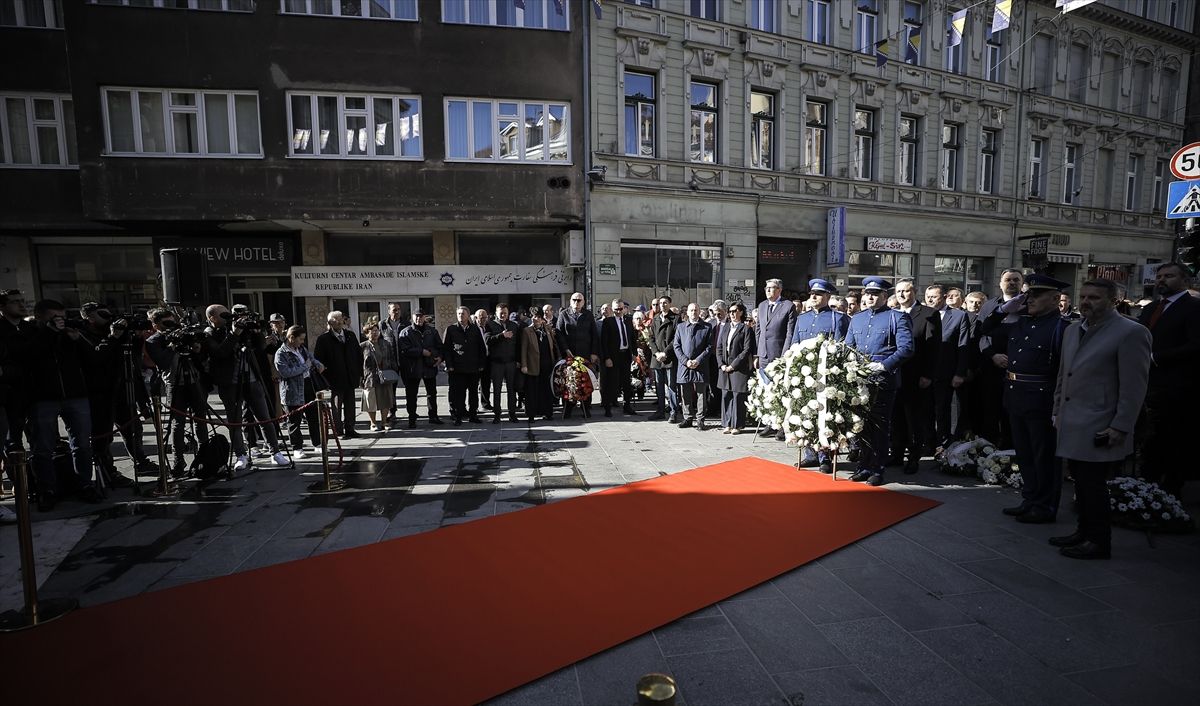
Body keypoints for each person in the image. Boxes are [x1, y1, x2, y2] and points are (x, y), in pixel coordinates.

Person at [1052, 279, 1152, 560]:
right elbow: (1064, 374)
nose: (1086, 302)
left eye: (1094, 298)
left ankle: (1098, 540)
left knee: (1093, 485)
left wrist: (1121, 425)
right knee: (1080, 483)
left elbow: (1134, 387)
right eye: (1083, 296)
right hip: (1071, 419)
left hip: (1101, 422)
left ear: (1113, 301)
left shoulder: (1131, 332)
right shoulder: (1073, 329)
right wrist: (1057, 410)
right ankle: (1083, 531)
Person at [979, 275, 1073, 524]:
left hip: (1042, 398)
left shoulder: (1063, 328)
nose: (1029, 299)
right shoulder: (1021, 323)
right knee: (1024, 452)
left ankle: (1045, 505)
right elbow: (983, 329)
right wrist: (1002, 310)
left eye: (1036, 295)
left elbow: (1065, 369)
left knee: (1044, 455)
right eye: (1028, 294)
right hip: (1016, 394)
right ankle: (1030, 498)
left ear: (1055, 299)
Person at [25, 300, 100, 508]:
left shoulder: (72, 333)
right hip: (43, 397)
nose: (59, 321)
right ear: (40, 317)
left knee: (83, 444)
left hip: (76, 395)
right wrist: (49, 333)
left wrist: (77, 340)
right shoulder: (31, 333)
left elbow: (93, 360)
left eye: (61, 316)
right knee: (43, 447)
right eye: (54, 317)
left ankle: (84, 484)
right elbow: (29, 356)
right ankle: (47, 489)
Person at [1136, 262, 1200, 501]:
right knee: (1149, 438)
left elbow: (1195, 345)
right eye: (1159, 276)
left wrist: (1155, 357)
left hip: (1178, 387)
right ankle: (1146, 485)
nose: (1161, 280)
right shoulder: (1151, 308)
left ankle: (1170, 491)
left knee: (1173, 439)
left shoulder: (1193, 307)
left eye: (1169, 276)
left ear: (1185, 281)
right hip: (1147, 385)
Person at [844, 278, 914, 486]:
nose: (870, 297)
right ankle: (863, 465)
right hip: (859, 380)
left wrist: (885, 365)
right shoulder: (857, 319)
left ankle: (877, 468)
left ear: (885, 296)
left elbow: (906, 348)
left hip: (883, 380)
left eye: (875, 294)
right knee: (861, 425)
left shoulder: (896, 317)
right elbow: (849, 347)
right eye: (867, 293)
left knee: (880, 426)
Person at [203, 304, 287, 470]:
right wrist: (235, 333)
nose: (228, 317)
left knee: (264, 417)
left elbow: (260, 348)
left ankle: (275, 452)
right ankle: (241, 455)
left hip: (252, 378)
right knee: (235, 421)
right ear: (212, 318)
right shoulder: (210, 333)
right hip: (229, 382)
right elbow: (221, 352)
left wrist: (255, 332)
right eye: (223, 315)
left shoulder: (241, 330)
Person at [789, 278, 850, 472]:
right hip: (805, 374)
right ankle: (810, 453)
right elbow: (794, 344)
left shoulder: (837, 318)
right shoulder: (803, 318)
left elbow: (844, 347)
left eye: (818, 294)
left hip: (827, 375)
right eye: (812, 294)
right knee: (806, 413)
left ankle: (825, 455)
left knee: (826, 414)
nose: (813, 297)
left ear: (827, 296)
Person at [144, 308, 210, 477]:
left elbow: (200, 356)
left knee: (200, 419)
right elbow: (163, 362)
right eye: (166, 323)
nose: (171, 326)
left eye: (172, 321)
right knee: (177, 424)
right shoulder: (153, 341)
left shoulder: (182, 333)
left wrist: (196, 347)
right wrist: (172, 345)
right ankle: (178, 461)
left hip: (194, 380)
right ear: (155, 325)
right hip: (174, 383)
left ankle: (206, 457)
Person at [890, 278, 941, 474]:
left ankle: (913, 457)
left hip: (916, 376)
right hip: (895, 374)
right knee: (896, 418)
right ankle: (896, 454)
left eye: (906, 291)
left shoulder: (929, 314)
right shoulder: (892, 314)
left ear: (915, 292)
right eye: (899, 291)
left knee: (914, 419)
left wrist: (928, 374)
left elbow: (933, 348)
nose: (902, 295)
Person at [977, 269, 1024, 448]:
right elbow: (980, 334)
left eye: (1015, 280)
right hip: (991, 367)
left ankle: (1009, 451)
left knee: (1011, 414)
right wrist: (992, 355)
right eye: (1007, 280)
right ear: (1000, 283)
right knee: (990, 410)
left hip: (1018, 370)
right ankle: (988, 450)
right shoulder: (989, 306)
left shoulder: (1029, 305)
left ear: (1021, 283)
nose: (1011, 283)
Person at [926, 284, 969, 448]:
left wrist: (960, 373)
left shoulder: (958, 316)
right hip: (926, 373)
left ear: (944, 297)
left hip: (947, 372)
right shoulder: (924, 314)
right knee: (926, 411)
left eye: (934, 296)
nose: (930, 299)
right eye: (928, 296)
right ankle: (928, 443)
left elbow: (963, 346)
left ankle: (944, 444)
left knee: (944, 411)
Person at [755, 278, 798, 440]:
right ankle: (770, 423)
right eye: (767, 288)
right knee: (767, 392)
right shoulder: (762, 306)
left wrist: (785, 355)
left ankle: (781, 425)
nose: (768, 291)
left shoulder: (788, 306)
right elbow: (758, 331)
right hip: (764, 356)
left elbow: (789, 332)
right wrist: (757, 354)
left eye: (772, 288)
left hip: (779, 355)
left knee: (781, 392)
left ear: (779, 290)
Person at [274, 325, 324, 459]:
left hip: (307, 385)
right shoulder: (281, 353)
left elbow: (310, 358)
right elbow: (285, 372)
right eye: (300, 339)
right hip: (292, 389)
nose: (302, 342)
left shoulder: (301, 349)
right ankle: (297, 447)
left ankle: (317, 444)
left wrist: (317, 364)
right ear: (291, 338)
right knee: (294, 420)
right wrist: (305, 366)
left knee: (313, 416)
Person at [312, 310, 363, 439]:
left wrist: (360, 373)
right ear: (330, 322)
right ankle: (338, 430)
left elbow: (358, 355)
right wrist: (326, 376)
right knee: (336, 405)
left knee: (350, 405)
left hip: (350, 376)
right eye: (337, 319)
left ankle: (350, 428)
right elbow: (318, 360)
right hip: (335, 378)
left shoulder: (350, 335)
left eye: (341, 319)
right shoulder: (324, 339)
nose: (340, 321)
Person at [397, 309, 443, 428]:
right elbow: (404, 350)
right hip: (413, 368)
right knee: (412, 395)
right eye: (416, 316)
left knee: (432, 394)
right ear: (412, 317)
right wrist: (421, 352)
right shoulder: (405, 332)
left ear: (424, 317)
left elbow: (439, 346)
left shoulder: (432, 331)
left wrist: (439, 357)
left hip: (429, 366)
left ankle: (433, 416)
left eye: (421, 316)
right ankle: (412, 418)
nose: (419, 318)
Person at [555, 292, 599, 419]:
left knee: (585, 380)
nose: (577, 302)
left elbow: (594, 335)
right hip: (569, 354)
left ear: (583, 302)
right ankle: (568, 407)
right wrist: (565, 349)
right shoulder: (564, 314)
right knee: (570, 381)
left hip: (585, 354)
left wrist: (594, 352)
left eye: (579, 300)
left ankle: (586, 407)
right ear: (570, 301)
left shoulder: (588, 315)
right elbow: (559, 333)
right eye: (574, 300)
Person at [443, 306, 487, 426]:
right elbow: (446, 349)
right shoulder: (451, 329)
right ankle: (458, 417)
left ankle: (473, 415)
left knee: (473, 393)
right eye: (459, 314)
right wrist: (449, 365)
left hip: (473, 368)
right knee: (459, 394)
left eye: (463, 314)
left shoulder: (475, 329)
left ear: (468, 315)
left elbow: (481, 348)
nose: (461, 316)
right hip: (457, 368)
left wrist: (481, 364)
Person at [716, 302, 755, 435]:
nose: (732, 314)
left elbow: (746, 350)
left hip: (738, 368)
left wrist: (733, 365)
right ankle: (726, 424)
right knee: (726, 395)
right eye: (730, 311)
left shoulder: (746, 329)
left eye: (735, 311)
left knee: (738, 396)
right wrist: (721, 364)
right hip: (724, 367)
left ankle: (737, 425)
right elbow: (719, 347)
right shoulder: (725, 327)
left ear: (741, 312)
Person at [673, 302, 712, 430]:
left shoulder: (706, 327)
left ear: (699, 311)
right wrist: (685, 361)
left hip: (700, 365)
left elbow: (709, 347)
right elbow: (676, 346)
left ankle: (700, 419)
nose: (693, 313)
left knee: (701, 394)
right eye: (691, 310)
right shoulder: (681, 327)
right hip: (685, 366)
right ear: (687, 312)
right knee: (685, 393)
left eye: (696, 310)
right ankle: (688, 418)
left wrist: (698, 360)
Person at [600, 298, 638, 417]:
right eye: (616, 309)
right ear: (612, 309)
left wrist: (635, 354)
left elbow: (632, 338)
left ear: (624, 308)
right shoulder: (608, 321)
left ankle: (627, 406)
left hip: (626, 355)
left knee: (626, 383)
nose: (619, 311)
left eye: (621, 309)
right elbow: (604, 342)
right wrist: (607, 358)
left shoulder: (628, 320)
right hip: (613, 356)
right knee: (612, 383)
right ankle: (608, 407)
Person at [520, 307, 559, 422]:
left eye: (538, 317)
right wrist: (524, 365)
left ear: (542, 319)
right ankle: (531, 414)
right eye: (533, 316)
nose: (535, 319)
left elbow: (553, 345)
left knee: (546, 391)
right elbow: (523, 349)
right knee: (532, 391)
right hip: (533, 365)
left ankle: (547, 413)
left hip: (547, 365)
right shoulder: (527, 331)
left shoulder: (547, 329)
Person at [485, 303, 521, 424]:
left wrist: (518, 360)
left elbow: (518, 345)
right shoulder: (490, 324)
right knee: (497, 390)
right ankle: (497, 415)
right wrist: (501, 335)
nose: (503, 314)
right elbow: (487, 340)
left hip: (510, 362)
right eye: (500, 312)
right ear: (496, 313)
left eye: (505, 312)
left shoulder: (513, 326)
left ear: (508, 313)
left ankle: (512, 413)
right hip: (497, 363)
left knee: (512, 389)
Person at [647, 295, 680, 422]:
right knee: (659, 386)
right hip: (657, 359)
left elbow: (676, 339)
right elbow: (651, 338)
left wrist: (665, 353)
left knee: (671, 386)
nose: (662, 305)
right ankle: (660, 411)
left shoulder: (676, 319)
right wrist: (656, 353)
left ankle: (673, 411)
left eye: (665, 303)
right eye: (660, 303)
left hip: (669, 357)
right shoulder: (655, 319)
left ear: (670, 304)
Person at [360, 321, 396, 432]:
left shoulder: (385, 344)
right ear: (366, 333)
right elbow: (358, 363)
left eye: (376, 330)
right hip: (370, 377)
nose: (375, 333)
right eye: (372, 331)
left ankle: (384, 421)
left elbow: (391, 358)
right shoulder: (363, 346)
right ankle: (373, 423)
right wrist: (361, 378)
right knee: (371, 401)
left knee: (385, 399)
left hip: (385, 375)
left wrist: (394, 371)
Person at [380, 302, 408, 426]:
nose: (396, 312)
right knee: (392, 389)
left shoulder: (406, 324)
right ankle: (393, 412)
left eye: (398, 309)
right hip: (390, 362)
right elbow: (379, 341)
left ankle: (411, 411)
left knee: (410, 387)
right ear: (389, 311)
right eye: (393, 310)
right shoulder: (382, 324)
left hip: (405, 360)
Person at [475, 308, 493, 412]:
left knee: (486, 383)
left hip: (487, 359)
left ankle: (486, 404)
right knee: (474, 385)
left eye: (486, 318)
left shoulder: (488, 327)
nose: (484, 320)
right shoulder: (473, 328)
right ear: (476, 318)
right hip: (476, 360)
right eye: (482, 318)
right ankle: (474, 406)